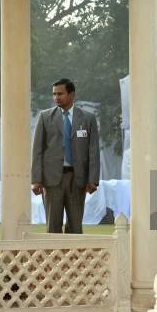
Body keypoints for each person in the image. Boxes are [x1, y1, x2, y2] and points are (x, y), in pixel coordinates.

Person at [31, 78, 100, 234]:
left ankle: (74, 258)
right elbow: (37, 151)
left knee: (75, 226)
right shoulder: (45, 117)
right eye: (54, 94)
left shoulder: (88, 119)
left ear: (72, 94)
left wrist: (93, 179)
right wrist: (36, 180)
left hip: (78, 179)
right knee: (53, 226)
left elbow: (93, 151)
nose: (56, 97)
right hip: (52, 179)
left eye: (60, 93)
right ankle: (53, 258)